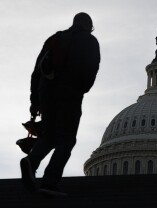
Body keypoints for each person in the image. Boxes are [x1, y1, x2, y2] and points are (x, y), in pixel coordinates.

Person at [20, 12, 101, 196]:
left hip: (45, 91)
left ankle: (31, 161)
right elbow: (91, 70)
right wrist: (81, 88)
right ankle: (50, 182)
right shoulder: (89, 41)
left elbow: (37, 71)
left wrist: (35, 100)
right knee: (66, 139)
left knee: (49, 135)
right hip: (69, 93)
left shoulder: (55, 39)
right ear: (88, 26)